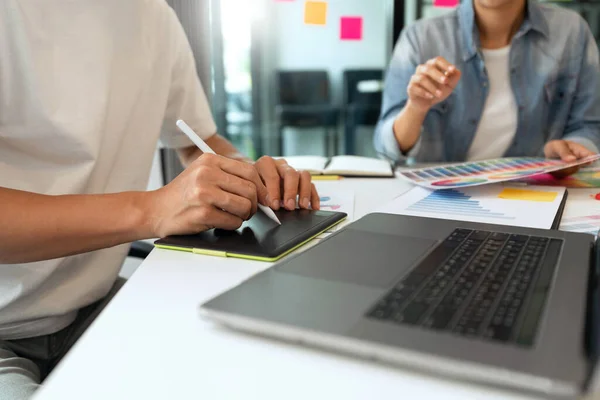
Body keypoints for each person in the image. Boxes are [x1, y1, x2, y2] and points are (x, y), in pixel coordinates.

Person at [0, 1, 319, 398]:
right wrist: (154, 209)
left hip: (92, 304)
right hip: (6, 327)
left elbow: (197, 142)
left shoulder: (154, 16)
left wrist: (246, 175)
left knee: (267, 371)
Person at [374, 0, 600, 166]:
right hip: (440, 200)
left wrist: (570, 150)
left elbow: (590, 125)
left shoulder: (571, 32)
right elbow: (387, 149)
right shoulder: (420, 37)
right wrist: (416, 107)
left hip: (536, 194)